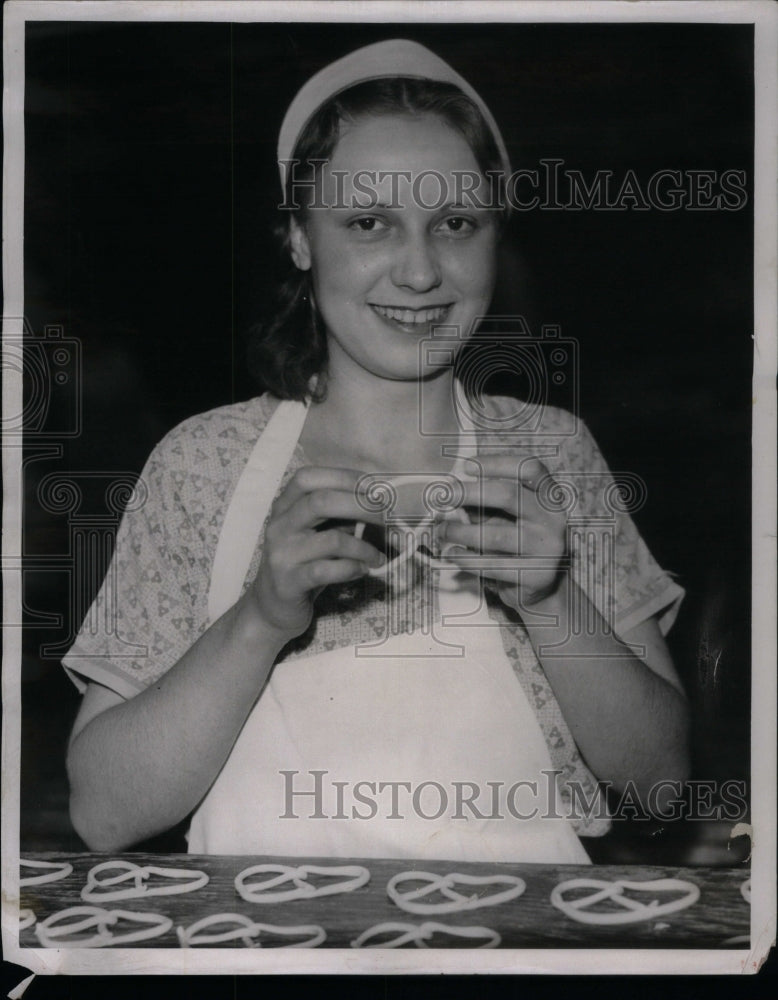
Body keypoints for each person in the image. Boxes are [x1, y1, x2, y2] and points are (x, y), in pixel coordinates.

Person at [64, 39, 689, 862]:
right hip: (271, 952)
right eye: (369, 223)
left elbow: (664, 788)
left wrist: (551, 600)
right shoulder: (202, 464)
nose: (422, 271)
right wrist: (258, 620)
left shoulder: (548, 453)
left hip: (521, 945)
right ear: (297, 238)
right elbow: (104, 815)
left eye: (456, 224)